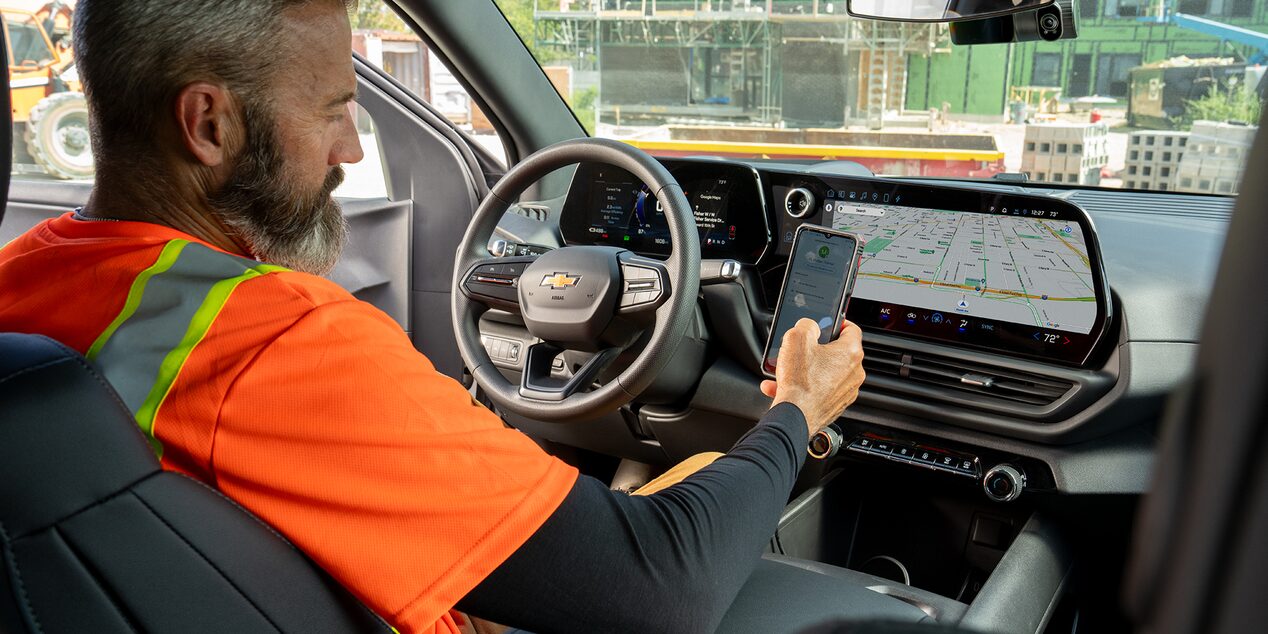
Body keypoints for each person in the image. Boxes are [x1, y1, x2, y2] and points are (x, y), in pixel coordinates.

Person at [0, 1, 867, 633]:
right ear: (209, 124)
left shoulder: (21, 286)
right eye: (334, 109)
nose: (348, 148)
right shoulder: (275, 339)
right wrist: (796, 409)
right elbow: (659, 586)